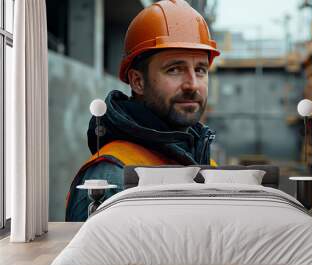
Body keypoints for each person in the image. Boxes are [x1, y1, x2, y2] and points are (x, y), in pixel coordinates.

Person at [65, 0, 220, 221]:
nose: (192, 84)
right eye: (174, 69)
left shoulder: (202, 162)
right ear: (137, 81)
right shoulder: (112, 177)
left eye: (200, 69)